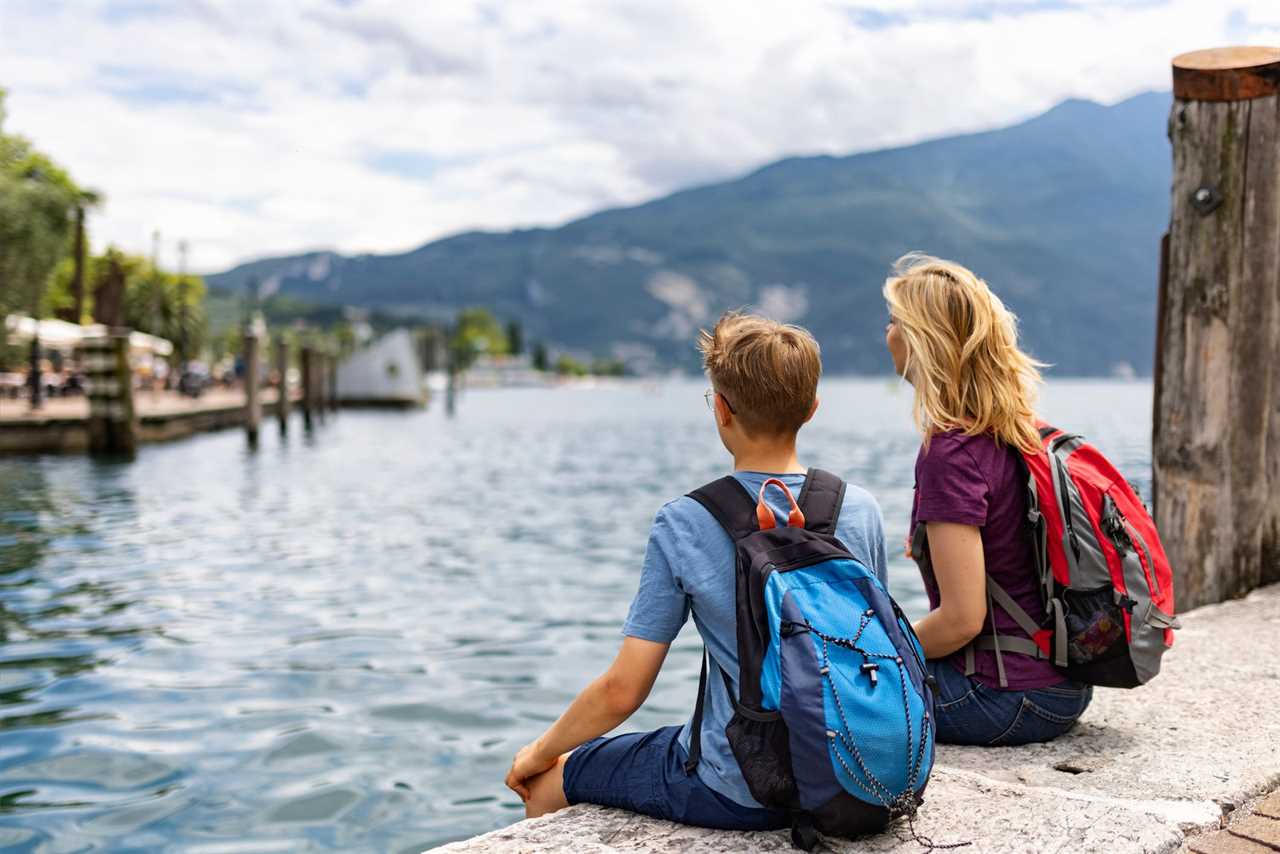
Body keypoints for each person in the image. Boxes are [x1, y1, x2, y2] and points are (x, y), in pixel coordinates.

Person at [504, 312, 889, 829]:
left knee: (549, 782)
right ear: (813, 409)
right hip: (855, 776)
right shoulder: (860, 508)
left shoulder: (686, 521)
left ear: (722, 410)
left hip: (741, 787)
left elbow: (624, 690)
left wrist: (537, 752)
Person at [882, 253, 1092, 746]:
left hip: (1003, 697)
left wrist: (882, 653)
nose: (887, 333)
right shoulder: (1018, 432)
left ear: (920, 337)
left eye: (894, 321)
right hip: (1064, 685)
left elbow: (960, 620)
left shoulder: (950, 452)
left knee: (818, 698)